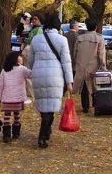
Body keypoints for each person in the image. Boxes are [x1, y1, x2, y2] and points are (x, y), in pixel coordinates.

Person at [27, 13, 73, 148]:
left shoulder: (36, 39)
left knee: (43, 105)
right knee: (51, 107)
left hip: (39, 75)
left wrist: (36, 68)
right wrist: (69, 81)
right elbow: (66, 62)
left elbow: (30, 60)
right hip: (56, 76)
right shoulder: (62, 40)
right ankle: (43, 135)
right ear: (58, 26)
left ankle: (46, 131)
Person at [0, 51, 32, 143]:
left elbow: (0, 85)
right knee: (17, 114)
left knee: (6, 116)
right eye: (19, 56)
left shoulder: (4, 70)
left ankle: (6, 135)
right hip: (18, 98)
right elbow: (31, 75)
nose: (21, 58)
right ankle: (16, 133)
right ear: (16, 59)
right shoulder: (22, 69)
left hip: (7, 98)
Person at [72, 17, 106, 114]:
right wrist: (103, 67)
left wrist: (76, 64)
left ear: (87, 26)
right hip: (94, 66)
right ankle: (96, 103)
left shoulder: (79, 38)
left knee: (84, 87)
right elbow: (101, 54)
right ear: (96, 27)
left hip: (81, 66)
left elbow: (75, 53)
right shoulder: (99, 38)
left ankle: (85, 106)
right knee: (95, 86)